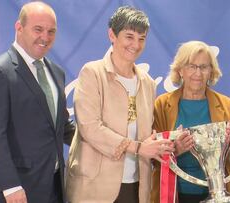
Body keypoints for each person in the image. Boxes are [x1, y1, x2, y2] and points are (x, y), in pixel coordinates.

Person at [65, 6, 174, 203]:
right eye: (129, 36)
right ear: (112, 35)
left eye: (142, 38)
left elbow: (146, 133)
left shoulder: (148, 83)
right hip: (95, 187)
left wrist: (168, 140)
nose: (136, 44)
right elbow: (90, 127)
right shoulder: (92, 73)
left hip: (137, 186)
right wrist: (139, 147)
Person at [0, 1, 75, 203]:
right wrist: (10, 186)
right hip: (12, 192)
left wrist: (104, 145)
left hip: (52, 188)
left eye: (51, 31)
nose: (45, 37)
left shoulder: (57, 73)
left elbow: (62, 127)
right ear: (18, 27)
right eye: (38, 29)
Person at [150, 41, 230, 203]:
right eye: (192, 66)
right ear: (180, 70)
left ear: (211, 71)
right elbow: (151, 157)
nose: (198, 73)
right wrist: (174, 150)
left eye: (204, 67)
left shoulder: (226, 105)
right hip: (173, 195)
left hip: (216, 196)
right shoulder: (162, 105)